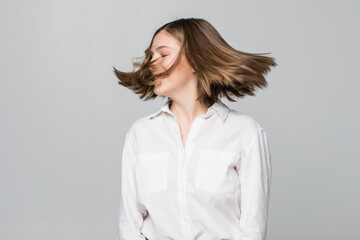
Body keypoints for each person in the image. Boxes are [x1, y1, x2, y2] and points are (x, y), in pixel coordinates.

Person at [113, 17, 277, 240]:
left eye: (163, 54)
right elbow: (130, 224)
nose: (152, 63)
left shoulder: (245, 133)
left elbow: (252, 229)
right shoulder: (140, 134)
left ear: (196, 59)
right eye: (150, 56)